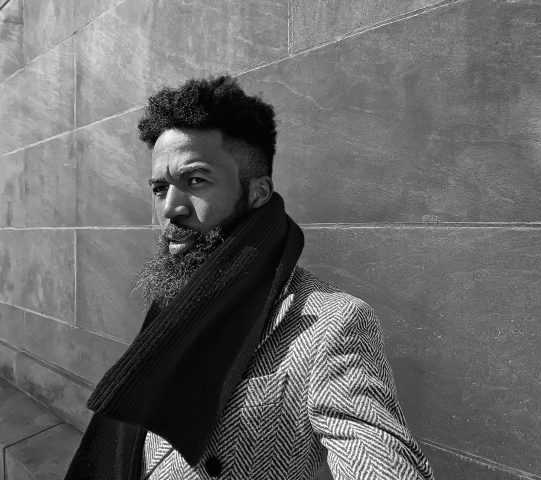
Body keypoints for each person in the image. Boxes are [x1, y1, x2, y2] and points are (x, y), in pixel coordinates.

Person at [64, 75, 434, 480]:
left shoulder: (332, 323)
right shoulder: (177, 298)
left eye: (195, 181)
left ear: (258, 193)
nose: (170, 209)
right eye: (159, 188)